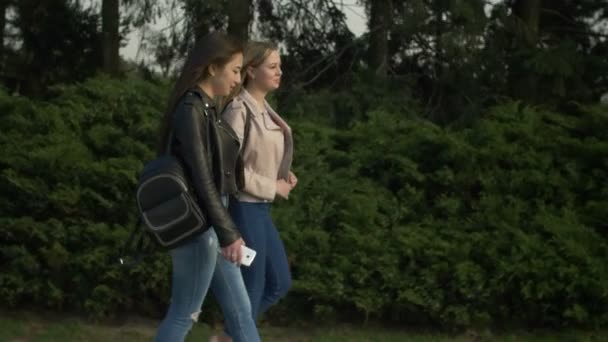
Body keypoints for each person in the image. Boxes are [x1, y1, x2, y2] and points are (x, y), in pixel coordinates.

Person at [154, 32, 261, 342]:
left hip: (212, 224)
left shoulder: (206, 108)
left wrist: (225, 230)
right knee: (183, 315)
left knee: (240, 310)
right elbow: (202, 179)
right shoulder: (190, 109)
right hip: (200, 229)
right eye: (235, 70)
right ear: (212, 68)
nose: (239, 79)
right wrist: (228, 233)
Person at [222, 41, 296, 331]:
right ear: (251, 71)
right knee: (252, 288)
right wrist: (273, 186)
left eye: (280, 66)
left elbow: (257, 157)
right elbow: (230, 169)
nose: (280, 72)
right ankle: (237, 336)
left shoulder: (264, 110)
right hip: (244, 211)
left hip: (261, 211)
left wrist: (284, 175)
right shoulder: (238, 110)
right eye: (273, 67)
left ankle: (231, 336)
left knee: (279, 282)